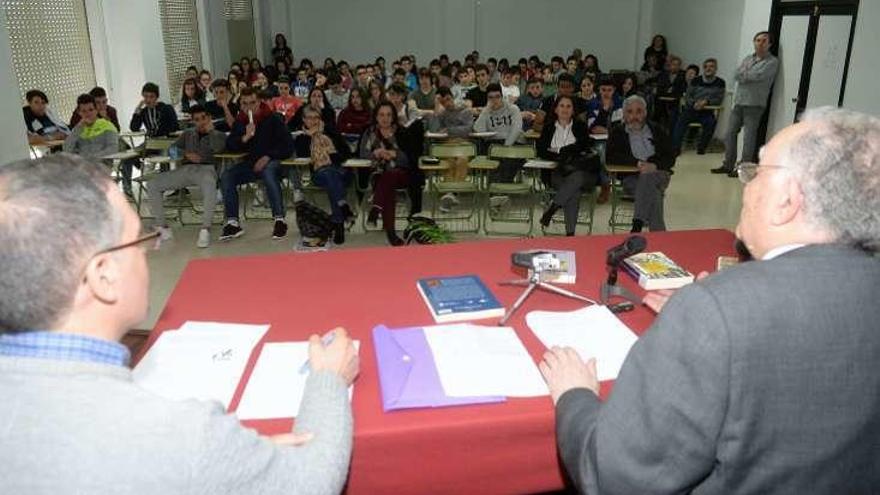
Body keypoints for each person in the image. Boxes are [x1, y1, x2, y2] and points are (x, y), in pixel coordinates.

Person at [541, 107, 880, 494]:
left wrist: (574, 395)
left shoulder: (716, 311)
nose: (745, 186)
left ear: (787, 201)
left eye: (756, 172)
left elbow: (616, 477)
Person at [0, 153, 360, 494]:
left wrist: (235, 463)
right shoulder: (176, 435)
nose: (148, 252)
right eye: (139, 240)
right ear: (103, 275)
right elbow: (310, 479)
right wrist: (329, 379)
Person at [220, 88, 294, 241]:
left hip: (274, 163)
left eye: (252, 103)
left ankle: (279, 220)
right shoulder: (240, 122)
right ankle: (233, 222)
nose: (249, 107)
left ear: (259, 102)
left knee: (268, 172)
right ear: (240, 105)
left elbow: (287, 146)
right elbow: (231, 145)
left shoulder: (273, 119)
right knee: (227, 176)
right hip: (252, 165)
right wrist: (245, 137)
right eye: (245, 104)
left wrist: (268, 156)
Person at [146, 105, 225, 248]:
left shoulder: (219, 134)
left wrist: (211, 131)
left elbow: (218, 148)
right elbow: (171, 150)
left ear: (209, 118)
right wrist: (186, 154)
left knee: (209, 185)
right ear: (192, 121)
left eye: (203, 118)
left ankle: (205, 228)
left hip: (207, 169)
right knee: (153, 184)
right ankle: (163, 227)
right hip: (186, 169)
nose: (201, 122)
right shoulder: (188, 133)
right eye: (197, 120)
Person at [606, 95, 676, 232]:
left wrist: (654, 166)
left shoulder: (657, 130)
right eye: (630, 112)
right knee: (654, 194)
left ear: (645, 113)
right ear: (624, 114)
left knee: (647, 176)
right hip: (631, 177)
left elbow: (670, 157)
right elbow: (611, 158)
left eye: (639, 111)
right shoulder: (617, 132)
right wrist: (637, 163)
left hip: (659, 174)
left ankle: (637, 224)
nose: (634, 116)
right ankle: (659, 234)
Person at [714, 31, 780, 176]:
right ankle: (727, 164)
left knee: (748, 138)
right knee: (729, 133)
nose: (760, 43)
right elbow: (736, 74)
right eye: (757, 40)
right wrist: (746, 75)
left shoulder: (772, 62)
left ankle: (742, 169)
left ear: (769, 44)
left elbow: (758, 76)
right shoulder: (748, 58)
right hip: (739, 102)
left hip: (755, 104)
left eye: (764, 41)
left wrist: (745, 75)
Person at [536, 95, 599, 236]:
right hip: (557, 171)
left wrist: (561, 151)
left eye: (568, 106)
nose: (565, 109)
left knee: (576, 178)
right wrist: (565, 153)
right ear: (556, 109)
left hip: (582, 172)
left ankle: (553, 207)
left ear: (573, 110)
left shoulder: (580, 126)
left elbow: (584, 145)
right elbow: (541, 150)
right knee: (573, 191)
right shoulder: (548, 128)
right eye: (562, 106)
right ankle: (570, 234)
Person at [294, 105, 355, 245]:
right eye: (309, 118)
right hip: (319, 174)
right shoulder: (301, 138)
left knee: (332, 176)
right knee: (329, 175)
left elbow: (345, 153)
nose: (313, 121)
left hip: (340, 171)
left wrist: (328, 148)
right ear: (304, 120)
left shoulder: (331, 132)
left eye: (316, 117)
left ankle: (339, 217)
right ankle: (340, 219)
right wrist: (313, 137)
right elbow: (304, 157)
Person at [358, 101, 414, 246]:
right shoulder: (369, 132)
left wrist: (395, 154)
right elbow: (363, 154)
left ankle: (376, 209)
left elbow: (410, 158)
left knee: (389, 176)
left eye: (389, 115)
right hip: (378, 174)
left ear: (393, 116)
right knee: (386, 183)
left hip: (401, 173)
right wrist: (375, 153)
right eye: (381, 115)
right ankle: (391, 233)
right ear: (376, 116)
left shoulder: (401, 131)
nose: (385, 118)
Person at [672, 58, 726, 155]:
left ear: (716, 69)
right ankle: (676, 148)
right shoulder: (695, 80)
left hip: (707, 111)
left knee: (711, 122)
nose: (708, 69)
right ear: (703, 68)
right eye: (706, 67)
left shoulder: (720, 83)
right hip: (692, 110)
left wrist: (706, 102)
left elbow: (718, 99)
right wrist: (695, 103)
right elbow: (688, 96)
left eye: (711, 66)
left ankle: (701, 148)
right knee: (680, 120)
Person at [474, 83, 523, 183]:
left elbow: (516, 129)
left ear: (502, 96)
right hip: (493, 144)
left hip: (512, 143)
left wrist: (505, 147)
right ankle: (497, 190)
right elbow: (478, 130)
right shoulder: (487, 112)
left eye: (497, 97)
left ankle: (500, 189)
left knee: (508, 159)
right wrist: (486, 110)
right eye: (491, 98)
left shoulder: (513, 109)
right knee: (491, 156)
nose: (494, 100)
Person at [63, 94, 119, 161]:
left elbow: (113, 149)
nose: (88, 114)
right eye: (84, 111)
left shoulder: (107, 126)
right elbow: (66, 149)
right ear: (79, 112)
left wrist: (91, 159)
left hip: (102, 166)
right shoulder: (78, 129)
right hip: (81, 167)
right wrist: (79, 127)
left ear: (96, 110)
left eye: (91, 110)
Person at [654, 55, 687, 128]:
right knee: (656, 100)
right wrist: (666, 90)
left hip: (675, 99)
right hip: (663, 98)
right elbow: (659, 87)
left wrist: (672, 91)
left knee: (673, 113)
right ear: (670, 65)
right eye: (673, 64)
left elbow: (683, 89)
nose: (675, 66)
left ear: (680, 66)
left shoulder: (683, 75)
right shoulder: (664, 75)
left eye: (677, 65)